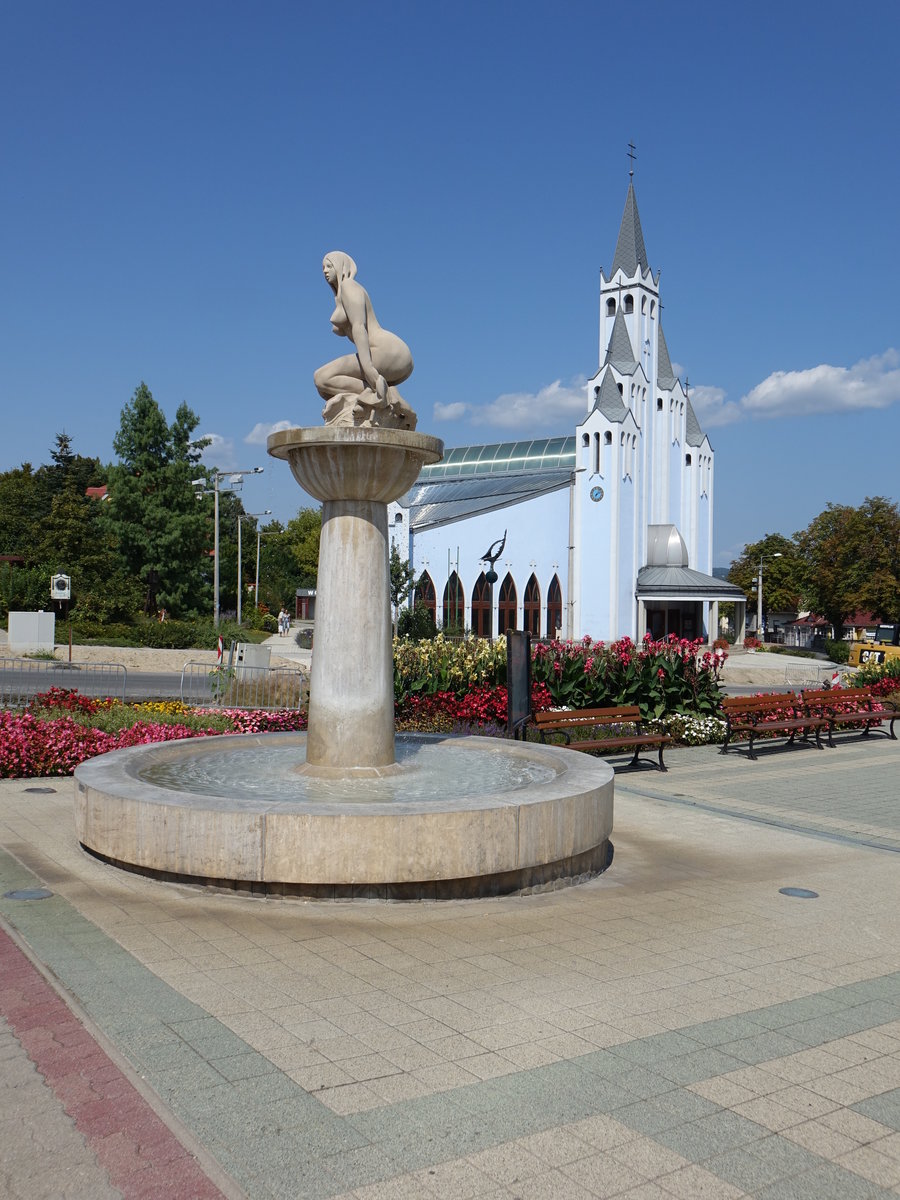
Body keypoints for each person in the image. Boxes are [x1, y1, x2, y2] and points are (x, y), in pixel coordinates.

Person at [313, 252, 417, 429]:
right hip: (385, 352)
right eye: (323, 267)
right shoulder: (341, 293)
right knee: (324, 388)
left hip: (387, 350)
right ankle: (391, 396)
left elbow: (359, 327)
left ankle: (384, 396)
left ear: (341, 266)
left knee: (322, 377)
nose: (325, 271)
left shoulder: (348, 286)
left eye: (329, 266)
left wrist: (369, 370)